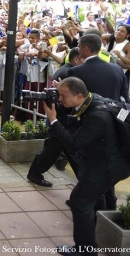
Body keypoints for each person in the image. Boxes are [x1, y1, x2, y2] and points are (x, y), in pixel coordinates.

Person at [45, 78, 130, 255]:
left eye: (63, 96)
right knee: (96, 198)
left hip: (111, 167)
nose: (59, 99)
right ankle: (96, 235)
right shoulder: (92, 99)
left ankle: (85, 250)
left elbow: (73, 143)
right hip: (107, 162)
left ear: (79, 96)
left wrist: (53, 120)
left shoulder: (97, 117)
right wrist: (61, 99)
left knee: (79, 200)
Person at [26, 47, 82, 187]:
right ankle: (84, 181)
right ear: (76, 59)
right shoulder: (70, 72)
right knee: (65, 148)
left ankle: (35, 173)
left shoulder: (65, 69)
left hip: (61, 116)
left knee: (56, 147)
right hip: (63, 116)